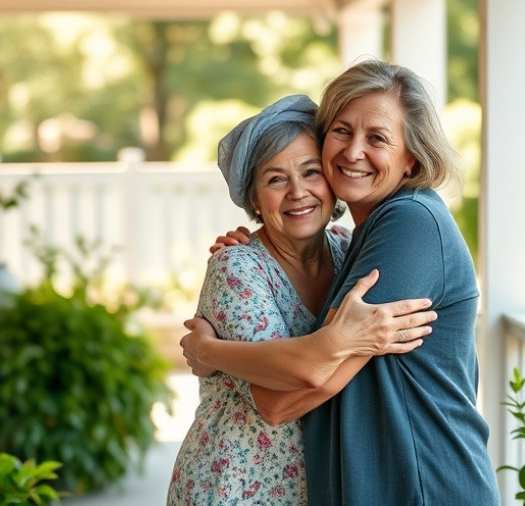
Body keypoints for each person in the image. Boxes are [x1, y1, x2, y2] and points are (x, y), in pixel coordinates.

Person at [181, 59, 501, 505]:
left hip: (423, 481)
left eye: (378, 138)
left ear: (411, 158)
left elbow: (291, 394)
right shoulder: (351, 241)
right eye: (342, 131)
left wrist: (207, 351)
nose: (353, 152)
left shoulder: (408, 227)